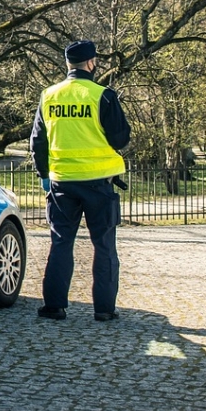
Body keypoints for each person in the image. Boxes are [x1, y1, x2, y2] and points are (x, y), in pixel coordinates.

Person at [30, 39, 131, 322]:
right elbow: (120, 138)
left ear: (67, 64)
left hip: (62, 182)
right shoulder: (103, 95)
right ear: (91, 63)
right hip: (99, 183)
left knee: (61, 242)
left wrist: (44, 175)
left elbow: (38, 141)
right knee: (104, 245)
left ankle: (54, 306)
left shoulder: (49, 96)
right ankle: (104, 309)